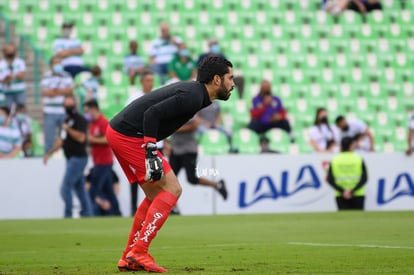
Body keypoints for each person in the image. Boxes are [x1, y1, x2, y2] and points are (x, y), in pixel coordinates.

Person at [106, 56, 234, 272]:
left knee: (155, 195)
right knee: (173, 189)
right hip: (130, 136)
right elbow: (152, 113)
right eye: (230, 78)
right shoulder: (193, 96)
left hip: (121, 132)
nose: (233, 83)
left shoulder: (195, 94)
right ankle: (139, 251)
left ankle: (128, 256)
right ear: (216, 80)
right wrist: (150, 149)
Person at [43, 95, 92, 218]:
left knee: (65, 187)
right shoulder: (66, 120)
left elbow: (81, 138)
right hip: (71, 158)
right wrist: (49, 153)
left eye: (70, 104)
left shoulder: (79, 119)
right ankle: (87, 213)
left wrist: (68, 129)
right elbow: (61, 140)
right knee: (79, 188)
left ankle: (68, 214)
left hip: (78, 157)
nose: (68, 107)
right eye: (66, 105)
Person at [169, 118, 228, 208]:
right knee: (169, 180)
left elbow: (194, 125)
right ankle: (174, 207)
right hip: (175, 150)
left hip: (189, 150)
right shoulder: (172, 112)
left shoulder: (188, 112)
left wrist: (176, 128)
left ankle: (217, 185)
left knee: (192, 178)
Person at [84, 99, 121, 216]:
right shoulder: (93, 124)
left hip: (104, 162)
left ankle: (89, 213)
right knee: (109, 191)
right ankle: (117, 213)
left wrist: (92, 139)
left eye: (87, 111)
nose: (87, 115)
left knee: (93, 190)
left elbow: (108, 139)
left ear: (93, 109)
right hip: (98, 161)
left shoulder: (103, 122)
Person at [41, 56, 74, 154]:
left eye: (59, 62)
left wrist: (55, 91)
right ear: (51, 65)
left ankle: (67, 156)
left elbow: (70, 91)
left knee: (65, 137)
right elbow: (46, 93)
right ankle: (48, 158)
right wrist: (62, 91)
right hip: (49, 111)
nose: (58, 65)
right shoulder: (46, 76)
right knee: (49, 138)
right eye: (55, 63)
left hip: (63, 111)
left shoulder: (67, 76)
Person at [327, 137, 368, 210]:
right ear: (351, 145)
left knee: (343, 220)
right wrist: (352, 190)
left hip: (340, 194)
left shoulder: (335, 160)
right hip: (358, 193)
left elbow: (330, 179)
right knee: (359, 220)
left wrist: (343, 191)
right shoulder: (359, 159)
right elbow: (364, 178)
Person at [0, 43, 26, 108]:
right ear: (4, 52)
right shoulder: (1, 64)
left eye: (11, 50)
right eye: (8, 50)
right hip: (7, 92)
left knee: (21, 110)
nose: (10, 52)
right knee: (8, 111)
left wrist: (12, 76)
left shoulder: (20, 62)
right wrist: (5, 80)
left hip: (19, 91)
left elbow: (22, 75)